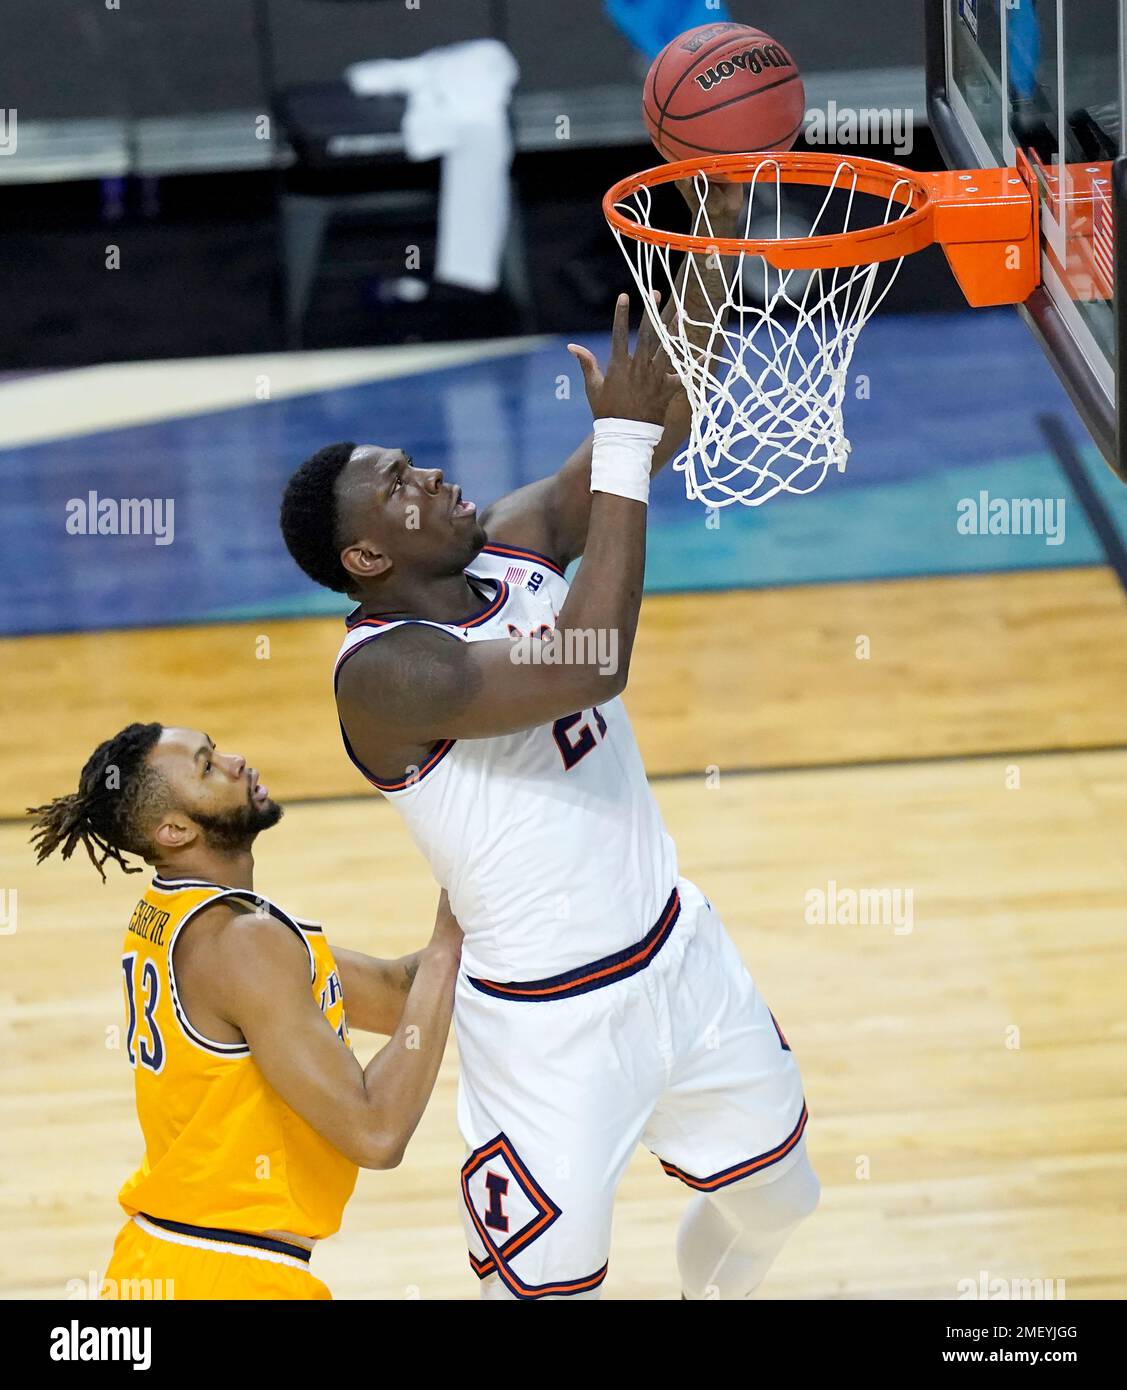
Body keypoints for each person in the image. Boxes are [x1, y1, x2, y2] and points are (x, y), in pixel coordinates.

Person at [279, 185, 819, 1301]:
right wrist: (615, 440)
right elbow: (589, 661)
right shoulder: (383, 673)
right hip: (546, 1026)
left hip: (679, 956)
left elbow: (654, 419)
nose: (428, 475)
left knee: (780, 1199)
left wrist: (711, 234)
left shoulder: (512, 543)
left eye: (412, 463)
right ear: (368, 558)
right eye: (398, 487)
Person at [28, 722, 461, 1300]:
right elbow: (377, 1132)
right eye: (208, 767)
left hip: (165, 1260)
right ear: (176, 830)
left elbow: (389, 993)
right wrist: (447, 947)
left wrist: (486, 900)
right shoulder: (242, 944)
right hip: (229, 1275)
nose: (236, 761)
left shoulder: (177, 913)